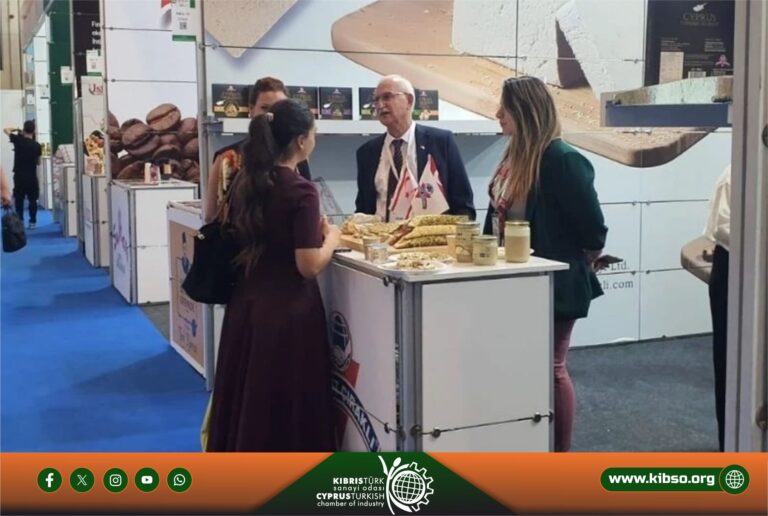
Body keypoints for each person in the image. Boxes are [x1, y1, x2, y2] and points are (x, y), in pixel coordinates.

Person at [206, 99, 339, 451]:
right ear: (301, 140)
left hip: (246, 305)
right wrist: (332, 239)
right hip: (288, 314)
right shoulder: (301, 190)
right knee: (286, 403)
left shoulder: (246, 182)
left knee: (249, 398)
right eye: (314, 133)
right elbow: (308, 265)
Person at [485, 76, 607, 452]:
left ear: (525, 111)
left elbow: (593, 230)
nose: (498, 113)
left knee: (551, 368)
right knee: (522, 365)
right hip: (514, 280)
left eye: (505, 107)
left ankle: (559, 455)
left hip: (552, 284)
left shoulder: (562, 159)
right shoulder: (514, 156)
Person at [355, 75, 475, 221]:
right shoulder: (366, 152)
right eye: (376, 100)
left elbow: (463, 204)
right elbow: (363, 210)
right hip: (381, 234)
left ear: (409, 101)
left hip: (430, 234)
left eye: (387, 97)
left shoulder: (441, 142)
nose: (380, 105)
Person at [205, 77, 311, 222]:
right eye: (265, 108)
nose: (272, 115)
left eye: (279, 109)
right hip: (239, 236)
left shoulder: (298, 158)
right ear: (251, 110)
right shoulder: (228, 158)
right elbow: (212, 216)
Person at [704, 164, 730, 452]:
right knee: (730, 362)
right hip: (736, 268)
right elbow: (727, 230)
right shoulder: (737, 174)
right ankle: (732, 446)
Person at [4, 121, 42, 228]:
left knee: (19, 199)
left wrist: (17, 129)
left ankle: (20, 220)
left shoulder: (18, 140)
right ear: (34, 131)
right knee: (33, 200)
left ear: (24, 129)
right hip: (31, 176)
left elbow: (6, 130)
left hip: (19, 176)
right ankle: (32, 222)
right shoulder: (37, 146)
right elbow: (38, 162)